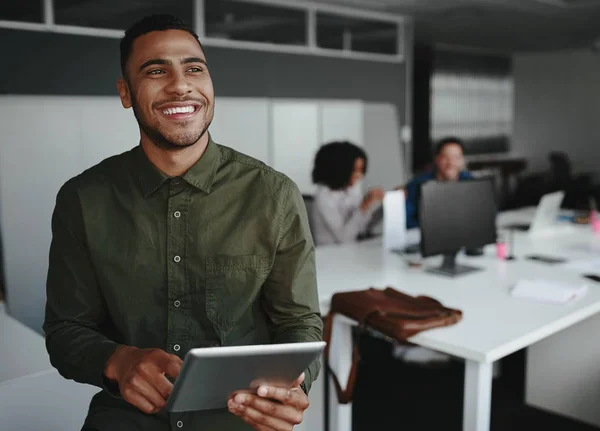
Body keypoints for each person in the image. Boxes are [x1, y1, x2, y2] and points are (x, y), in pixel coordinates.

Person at [43, 14, 322, 431]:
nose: (180, 84)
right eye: (156, 71)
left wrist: (294, 385)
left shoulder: (273, 194)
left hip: (240, 418)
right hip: (127, 419)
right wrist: (117, 361)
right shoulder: (83, 199)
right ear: (126, 93)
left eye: (194, 68)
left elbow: (299, 323)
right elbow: (66, 330)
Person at [310, 141, 384, 246]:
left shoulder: (351, 189)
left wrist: (383, 206)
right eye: (355, 170)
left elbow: (362, 227)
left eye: (361, 170)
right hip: (330, 255)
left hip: (351, 250)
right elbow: (345, 238)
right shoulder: (324, 197)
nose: (359, 175)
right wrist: (364, 206)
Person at [404, 137, 473, 229]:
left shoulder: (470, 182)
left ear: (462, 160)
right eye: (446, 157)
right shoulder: (417, 185)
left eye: (456, 158)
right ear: (437, 159)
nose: (451, 163)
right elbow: (407, 220)